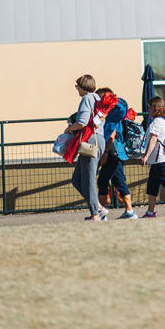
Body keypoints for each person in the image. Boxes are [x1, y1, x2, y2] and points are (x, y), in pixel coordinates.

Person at [65, 74, 106, 222]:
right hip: (98, 140)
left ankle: (96, 214)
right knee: (77, 180)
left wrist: (70, 128)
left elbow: (82, 122)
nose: (76, 89)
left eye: (77, 86)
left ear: (82, 87)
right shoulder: (98, 99)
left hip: (90, 141)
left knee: (88, 180)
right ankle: (99, 209)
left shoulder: (86, 99)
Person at [95, 88, 137, 220]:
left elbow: (112, 135)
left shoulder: (111, 115)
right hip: (118, 153)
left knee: (103, 181)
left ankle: (101, 213)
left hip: (113, 153)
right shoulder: (113, 116)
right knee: (119, 180)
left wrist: (105, 153)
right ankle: (129, 211)